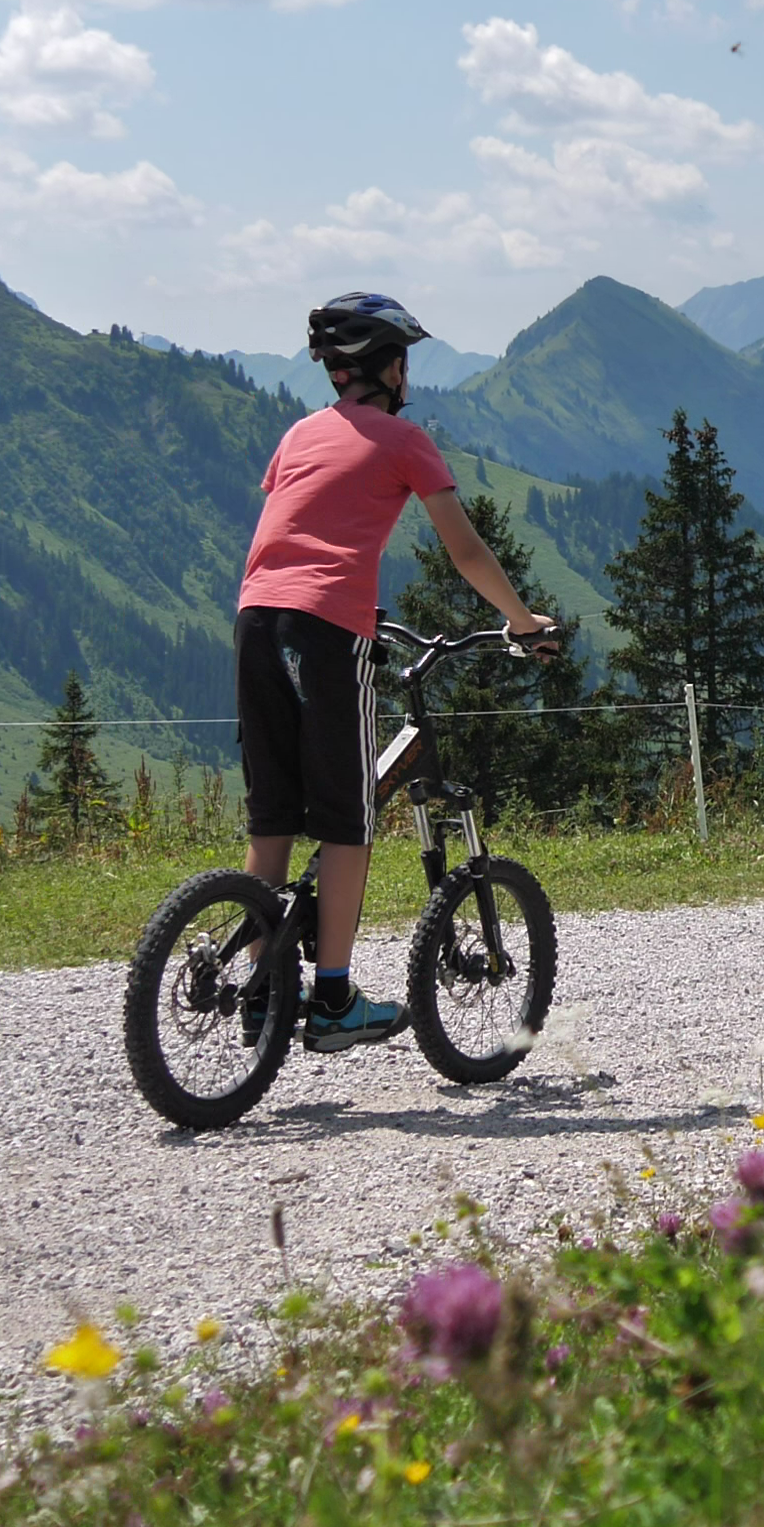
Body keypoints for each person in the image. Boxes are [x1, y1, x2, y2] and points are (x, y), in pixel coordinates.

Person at [237, 291, 559, 1053]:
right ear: (389, 366)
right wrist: (524, 623)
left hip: (256, 621)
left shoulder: (295, 435)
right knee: (349, 823)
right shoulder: (403, 440)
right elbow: (467, 550)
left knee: (273, 816)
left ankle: (260, 997)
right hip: (325, 633)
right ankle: (335, 1000)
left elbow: (304, 527)